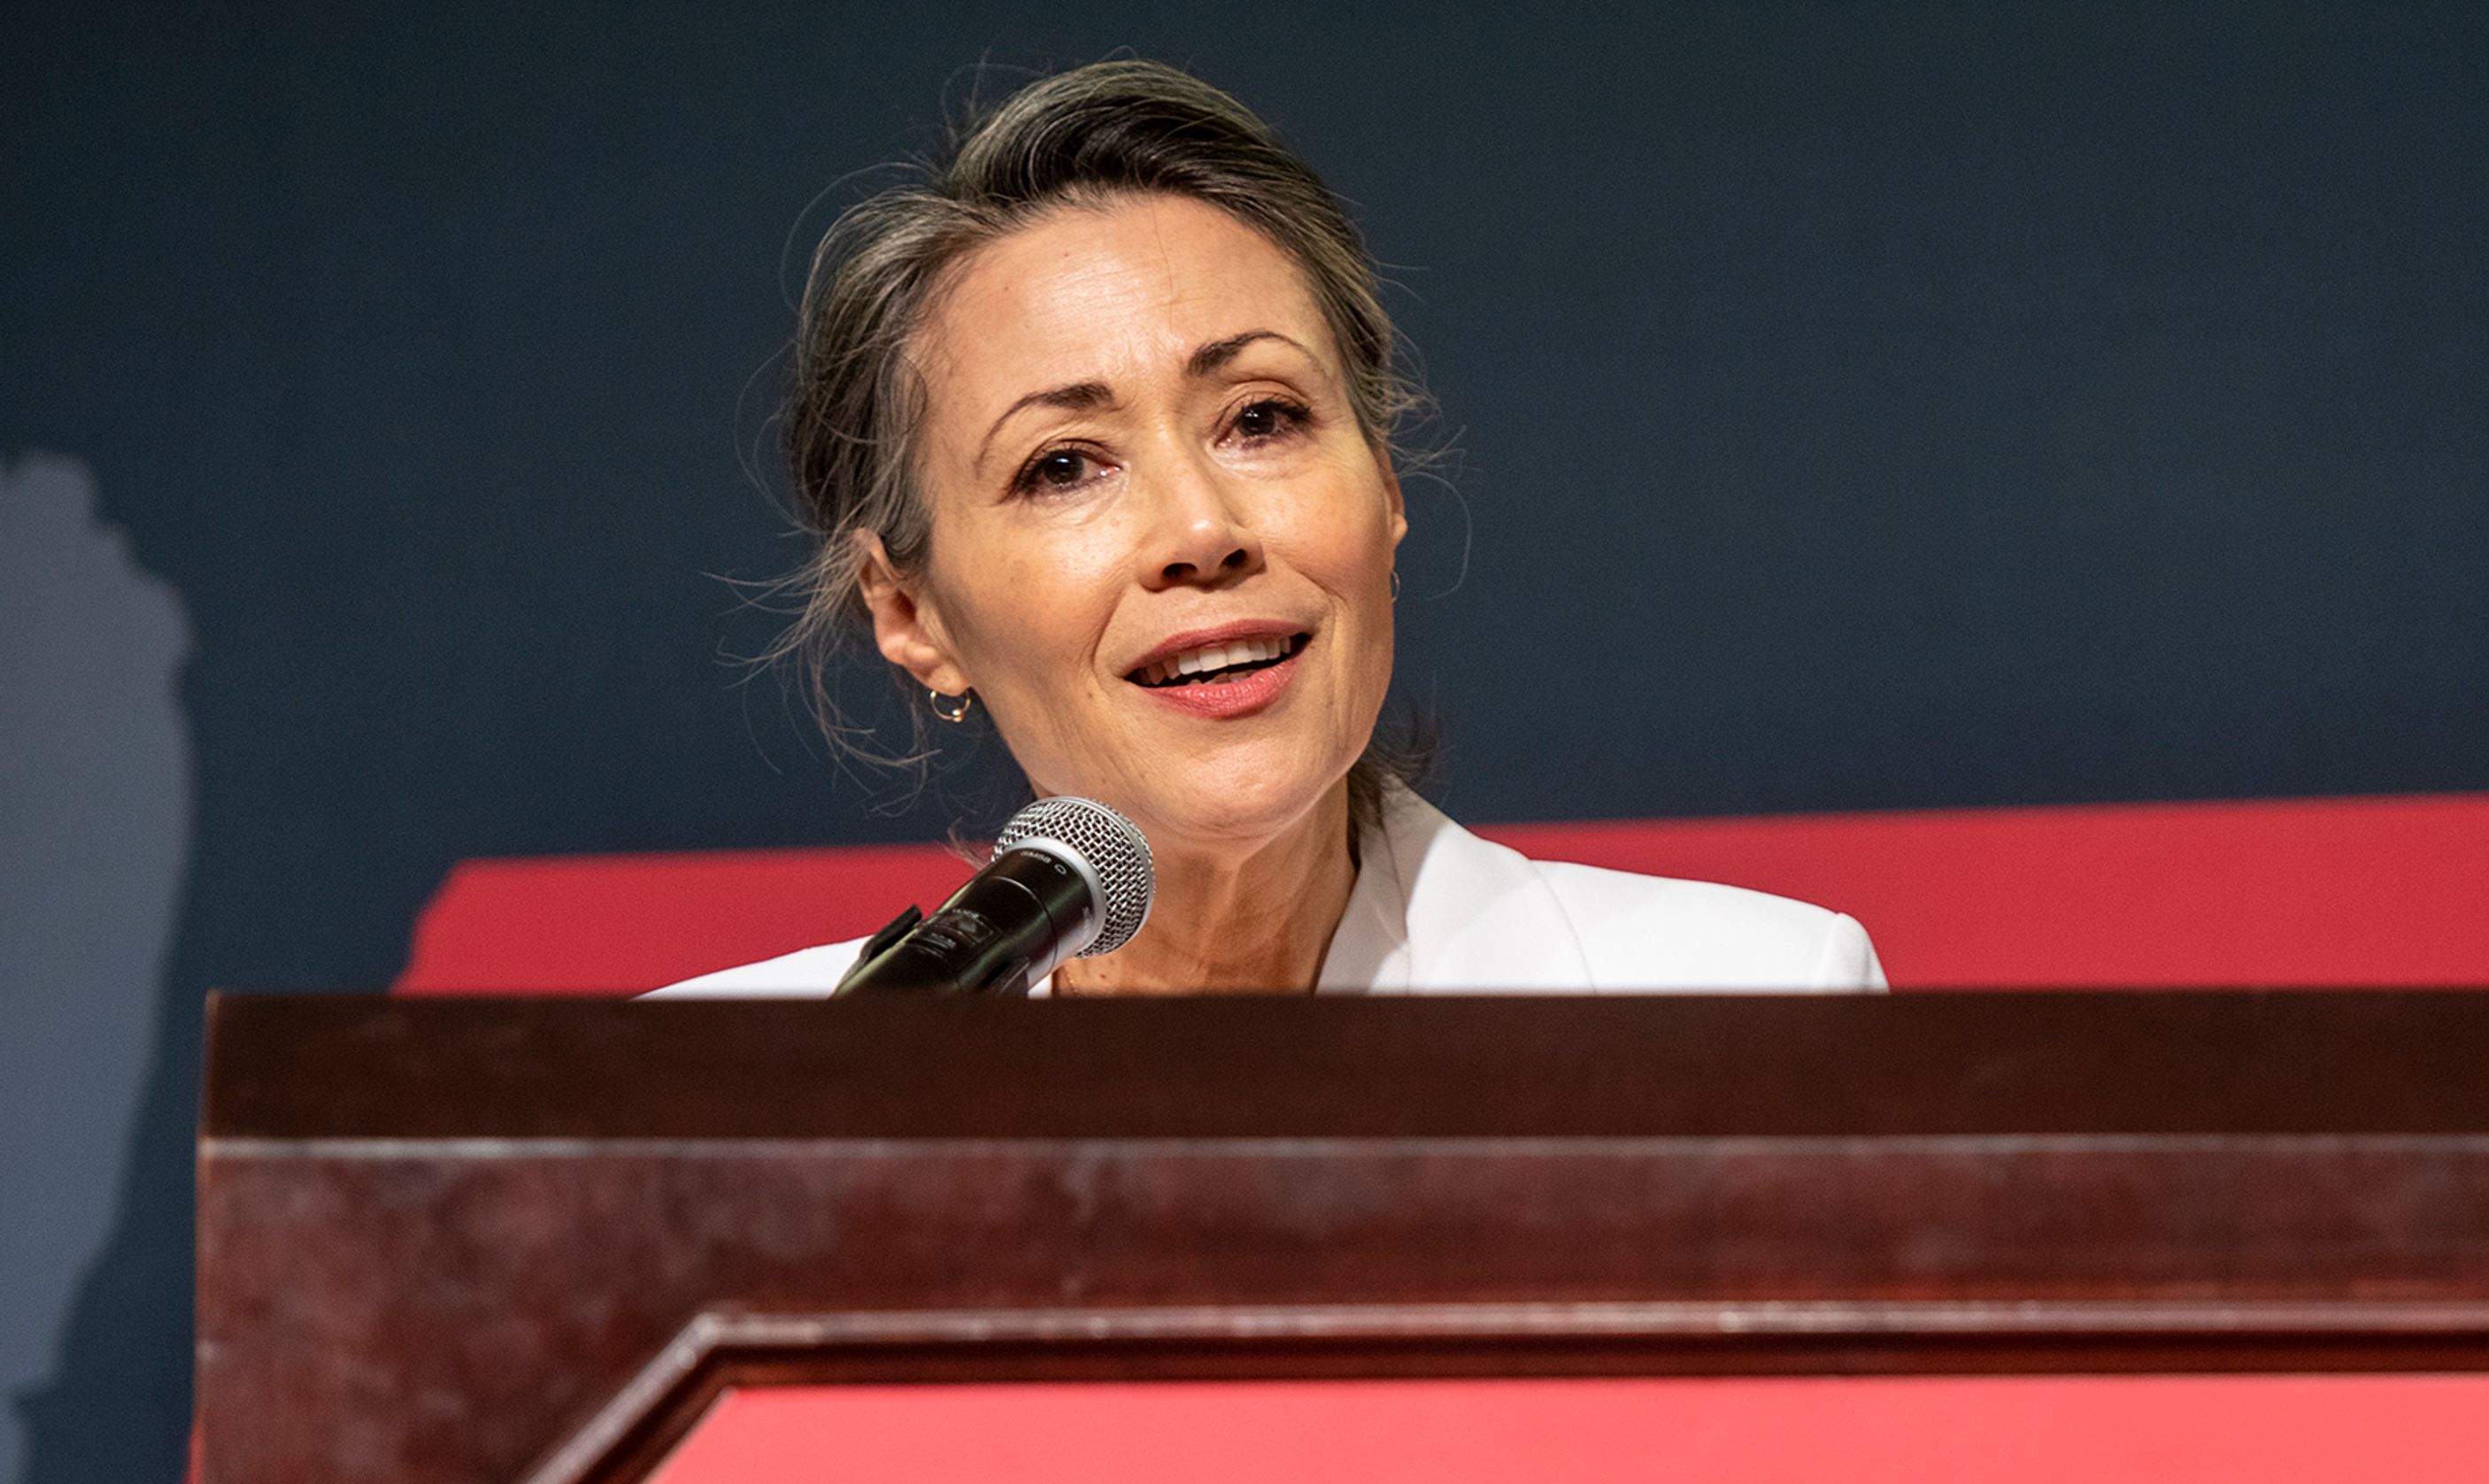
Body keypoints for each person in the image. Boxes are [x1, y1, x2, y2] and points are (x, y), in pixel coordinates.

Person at [660, 61, 1880, 999]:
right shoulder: (709, 1106)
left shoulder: (1752, 1005)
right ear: (911, 614)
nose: (1201, 527)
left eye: (1262, 417)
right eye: (1065, 465)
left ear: (1386, 485)